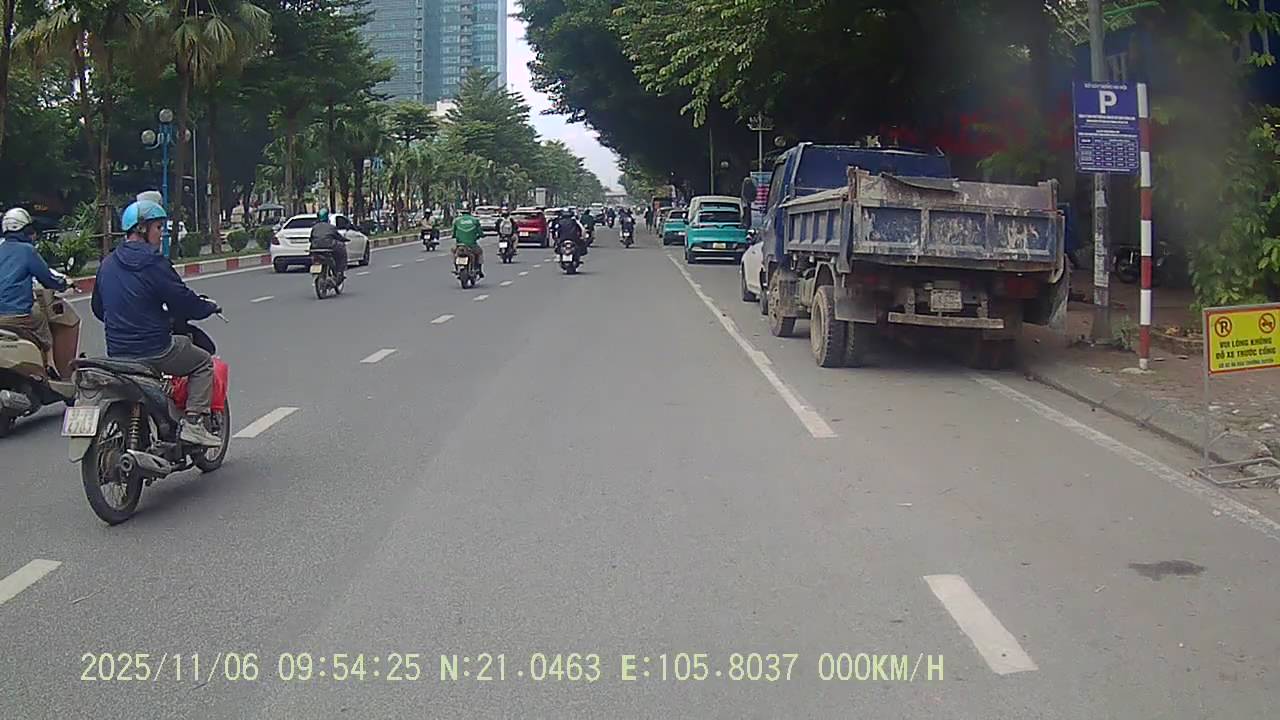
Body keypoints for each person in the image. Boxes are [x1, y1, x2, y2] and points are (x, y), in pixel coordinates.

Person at [91, 200, 223, 447]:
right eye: (158, 228)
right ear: (142, 229)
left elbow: (99, 309)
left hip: (117, 352)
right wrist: (207, 307)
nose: (161, 234)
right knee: (203, 362)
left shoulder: (107, 263)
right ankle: (194, 424)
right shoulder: (154, 262)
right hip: (155, 349)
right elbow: (182, 301)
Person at [0, 207, 69, 372]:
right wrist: (63, 284)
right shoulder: (27, 251)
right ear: (24, 230)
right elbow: (47, 279)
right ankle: (51, 366)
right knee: (41, 318)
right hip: (18, 315)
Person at [307, 208, 348, 279]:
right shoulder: (331, 227)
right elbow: (338, 237)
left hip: (315, 248)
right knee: (342, 248)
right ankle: (340, 270)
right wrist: (344, 239)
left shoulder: (315, 227)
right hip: (329, 247)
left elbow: (311, 238)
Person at [452, 202, 484, 277]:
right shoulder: (475, 220)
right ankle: (479, 269)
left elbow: (453, 234)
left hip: (460, 245)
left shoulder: (457, 221)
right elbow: (480, 233)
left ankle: (456, 268)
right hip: (471, 245)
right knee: (480, 252)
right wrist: (480, 236)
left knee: (454, 252)